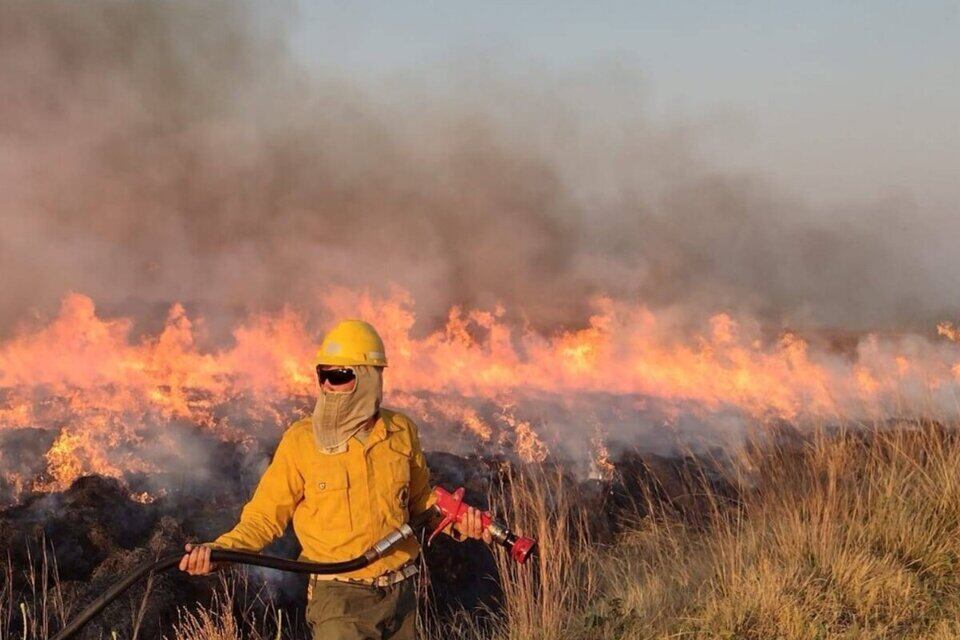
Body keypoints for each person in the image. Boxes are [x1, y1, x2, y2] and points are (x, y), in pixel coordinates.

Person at [179, 319, 491, 639]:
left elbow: (420, 500)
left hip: (400, 596)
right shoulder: (302, 441)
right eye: (323, 375)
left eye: (339, 376)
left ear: (369, 378)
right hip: (339, 601)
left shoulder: (401, 431)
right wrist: (219, 551)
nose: (327, 386)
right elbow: (263, 517)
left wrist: (457, 520)